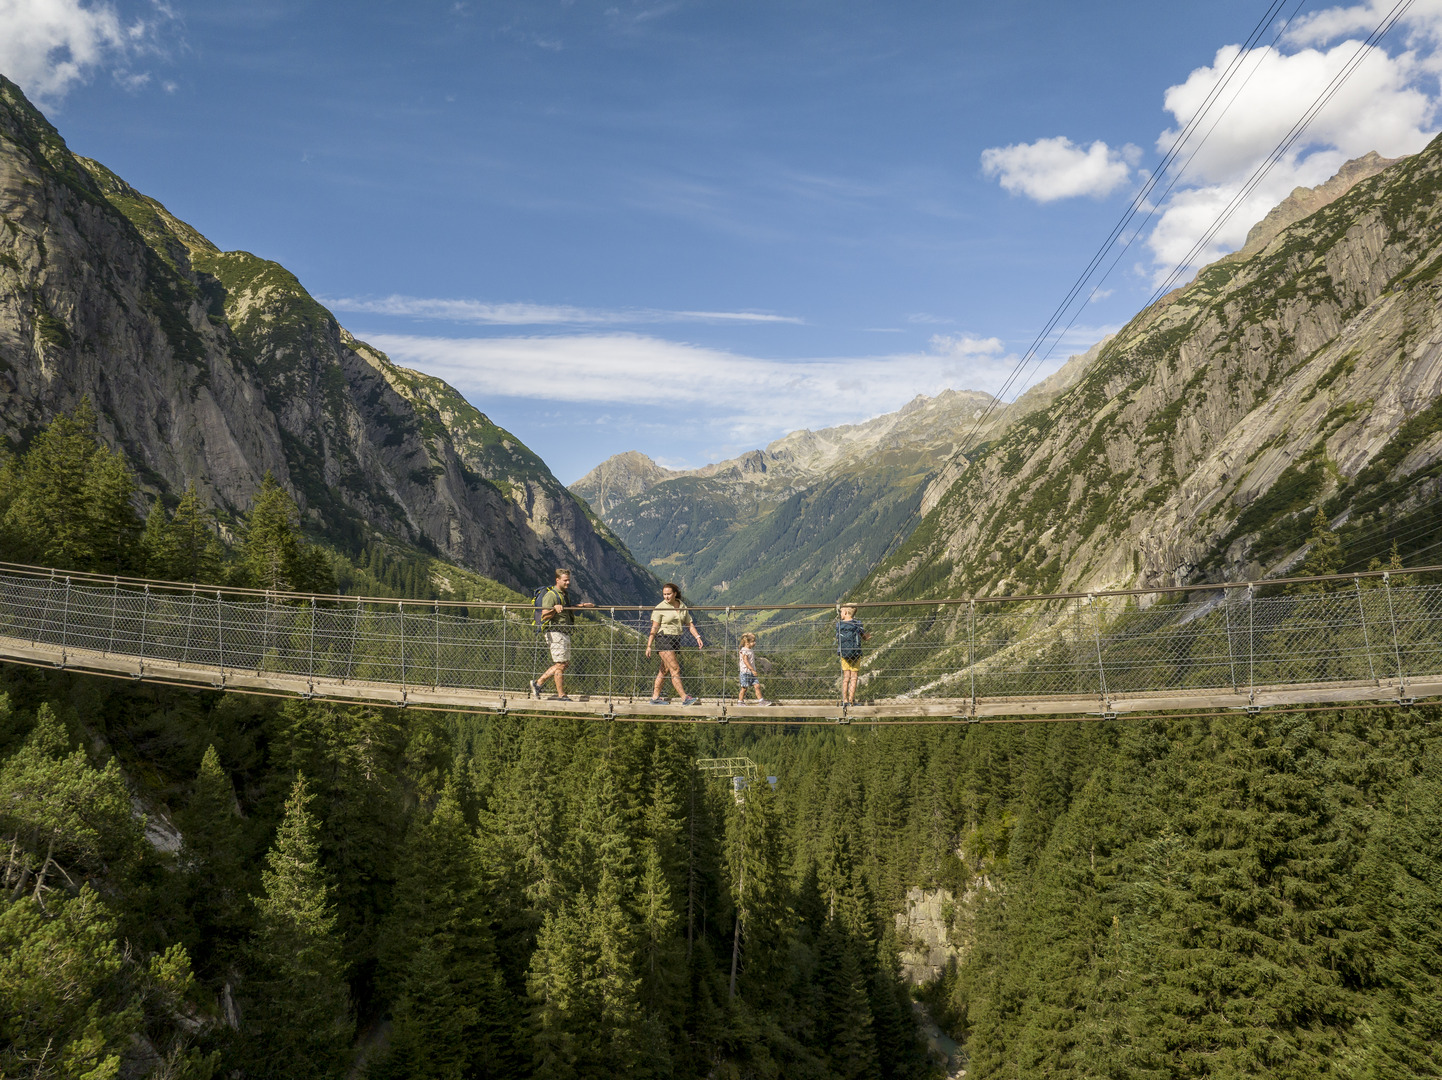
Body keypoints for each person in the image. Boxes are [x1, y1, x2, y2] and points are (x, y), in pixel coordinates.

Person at [530, 568, 593, 701]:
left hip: (564, 632)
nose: (568, 582)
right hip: (555, 632)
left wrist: (582, 606)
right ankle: (560, 695)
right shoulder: (551, 595)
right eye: (565, 580)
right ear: (557, 580)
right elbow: (544, 615)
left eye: (569, 580)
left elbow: (567, 609)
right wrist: (554, 609)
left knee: (564, 664)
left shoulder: (564, 594)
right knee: (560, 664)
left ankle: (538, 683)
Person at [647, 582, 703, 705]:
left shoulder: (682, 606)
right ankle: (684, 698)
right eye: (664, 594)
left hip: (676, 640)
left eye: (669, 594)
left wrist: (697, 637)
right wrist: (649, 645)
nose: (666, 597)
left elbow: (689, 624)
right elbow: (654, 628)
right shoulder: (660, 608)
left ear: (675, 593)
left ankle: (655, 697)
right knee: (675, 669)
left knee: (664, 670)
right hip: (663, 639)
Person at [836, 603, 870, 705]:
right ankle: (851, 700)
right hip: (856, 654)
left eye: (841, 611)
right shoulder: (858, 623)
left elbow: (838, 638)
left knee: (846, 677)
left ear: (846, 612)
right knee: (854, 677)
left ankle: (844, 700)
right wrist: (867, 637)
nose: (840, 614)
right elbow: (864, 637)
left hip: (844, 654)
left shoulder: (839, 624)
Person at [736, 632, 766, 705]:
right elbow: (746, 661)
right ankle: (740, 701)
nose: (754, 643)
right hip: (746, 672)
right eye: (753, 641)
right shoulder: (744, 651)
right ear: (747, 643)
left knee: (757, 686)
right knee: (744, 688)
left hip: (751, 672)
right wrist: (752, 670)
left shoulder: (750, 650)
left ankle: (761, 701)